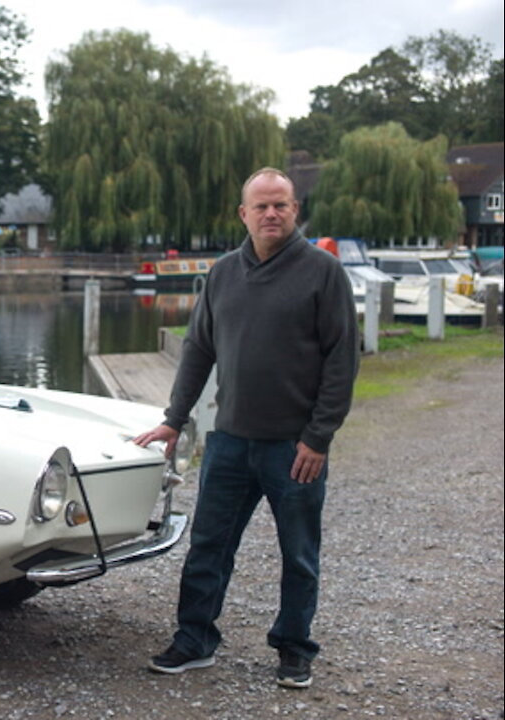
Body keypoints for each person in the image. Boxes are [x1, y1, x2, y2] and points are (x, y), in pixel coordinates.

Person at [134, 167, 358, 689]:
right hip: (230, 442)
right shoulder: (223, 273)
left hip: (294, 447)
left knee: (299, 553)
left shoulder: (323, 272)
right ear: (244, 214)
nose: (271, 213)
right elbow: (198, 351)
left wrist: (318, 437)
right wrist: (174, 418)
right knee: (209, 545)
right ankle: (195, 640)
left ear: (295, 210)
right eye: (261, 206)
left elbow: (341, 362)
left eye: (281, 205)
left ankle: (294, 647)